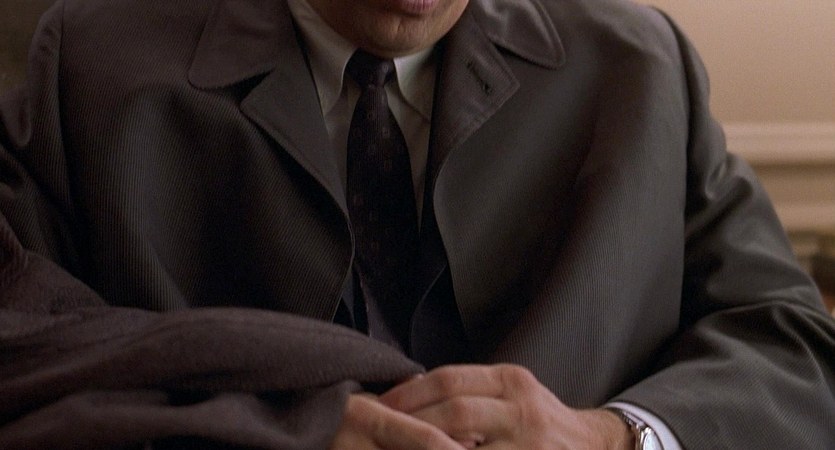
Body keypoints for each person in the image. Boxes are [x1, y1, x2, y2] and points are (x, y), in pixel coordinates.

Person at [0, 0, 833, 448]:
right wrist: (280, 432)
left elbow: (794, 349)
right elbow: (24, 343)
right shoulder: (88, 60)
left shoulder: (643, 68)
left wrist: (612, 439)